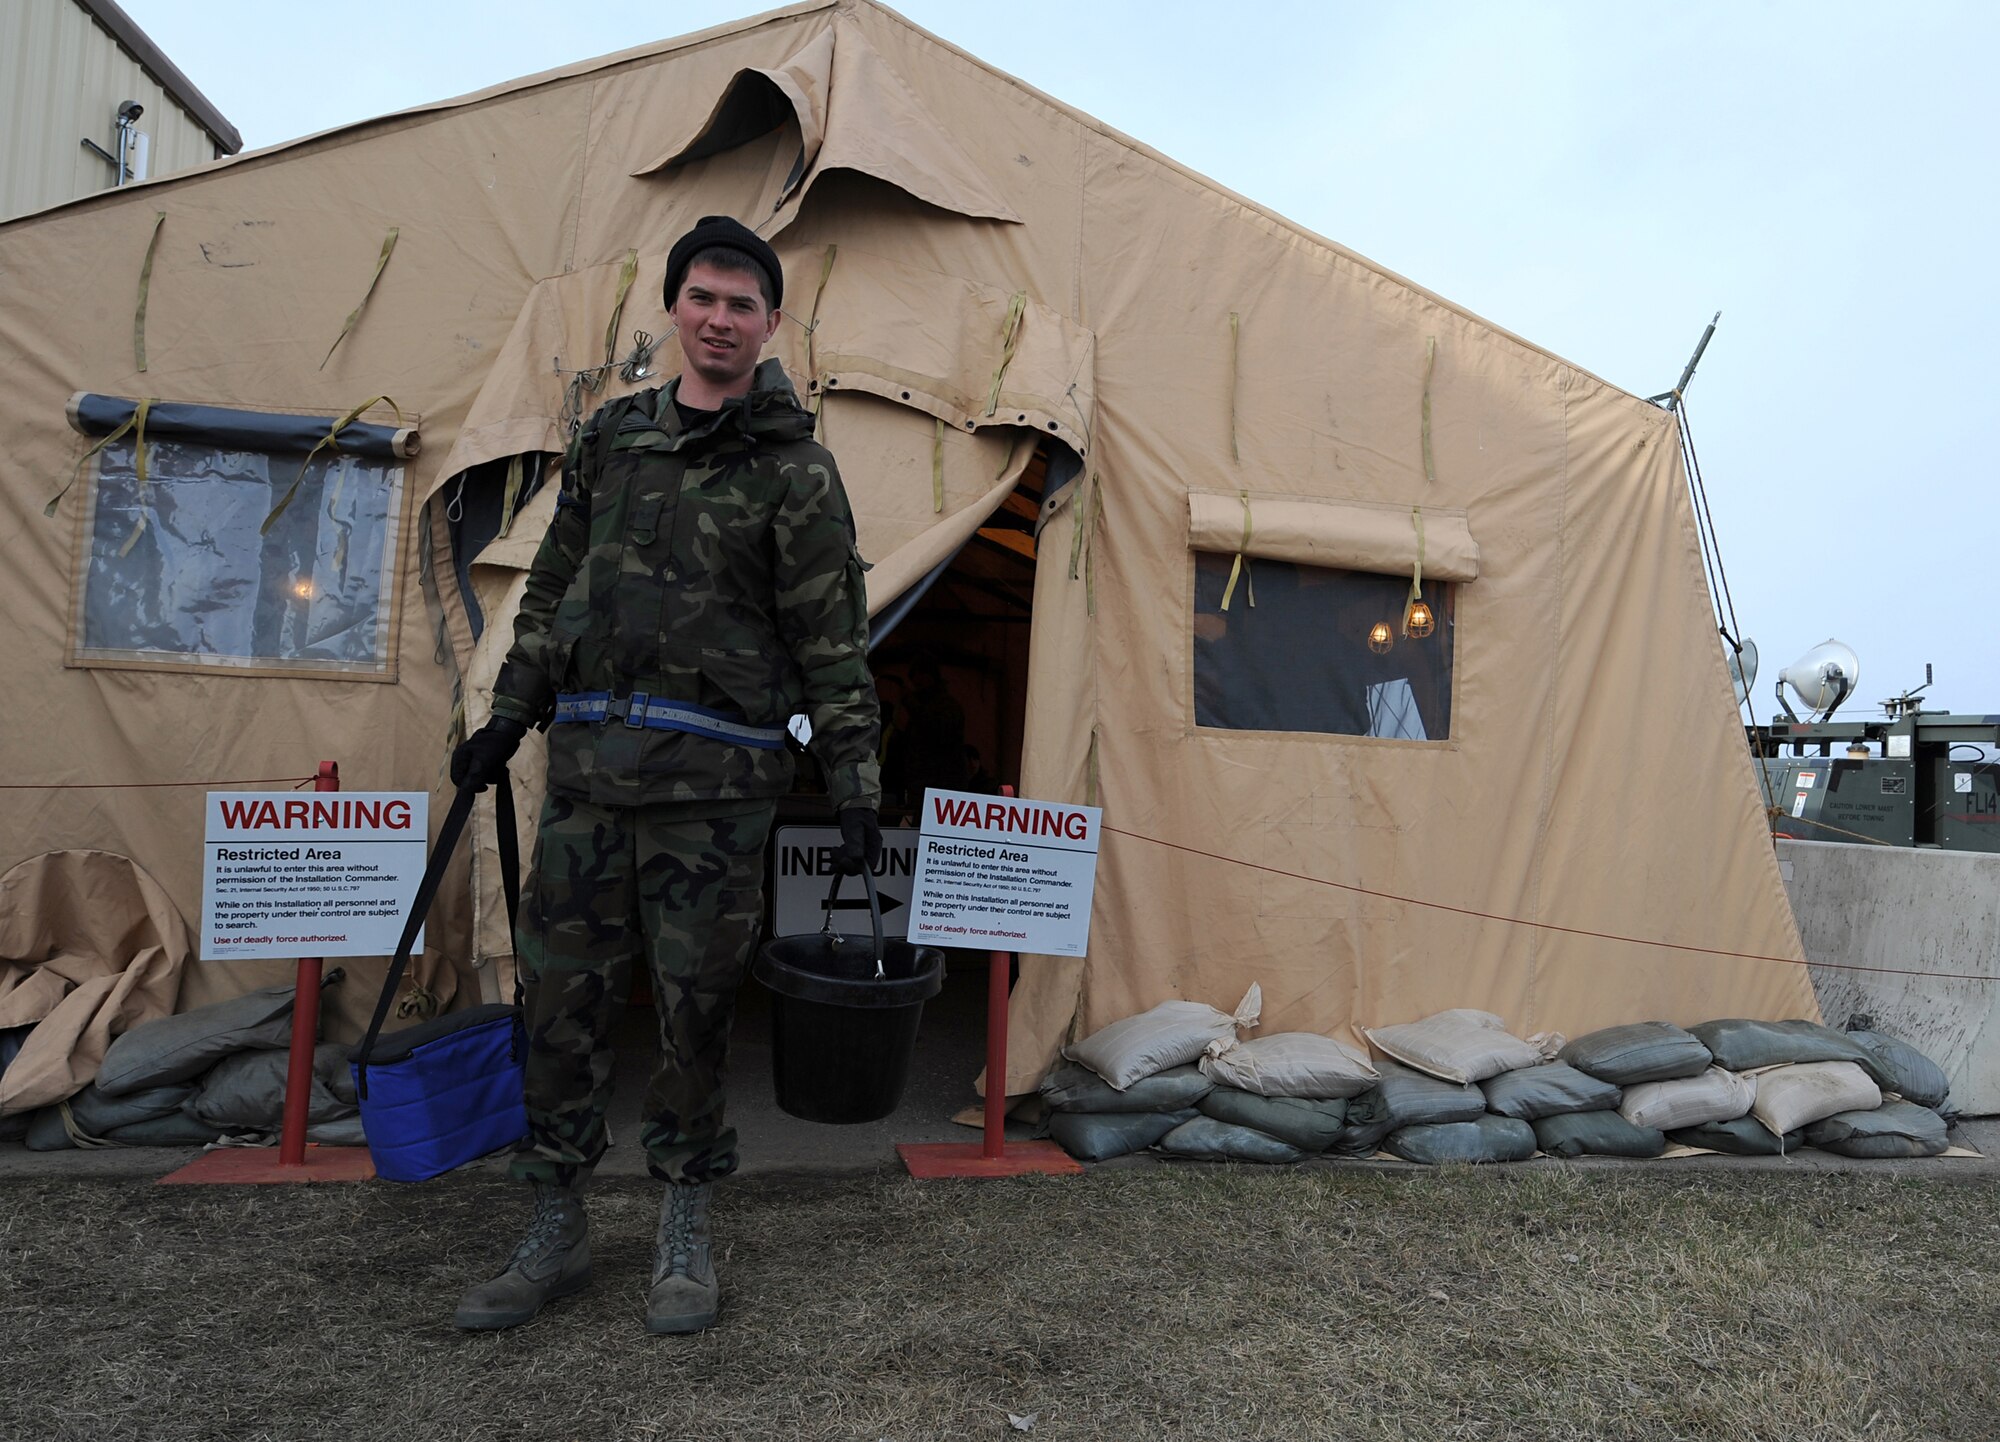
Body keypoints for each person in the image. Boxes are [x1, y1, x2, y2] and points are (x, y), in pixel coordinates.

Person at [448, 215, 881, 1335]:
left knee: (693, 1018)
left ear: (772, 323)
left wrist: (855, 786)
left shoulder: (795, 469)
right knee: (561, 1008)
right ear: (674, 308)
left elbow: (831, 638)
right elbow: (554, 587)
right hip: (588, 782)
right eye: (703, 298)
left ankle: (684, 1223)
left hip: (715, 798)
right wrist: (507, 716)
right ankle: (555, 1225)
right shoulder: (611, 440)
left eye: (742, 304)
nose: (719, 319)